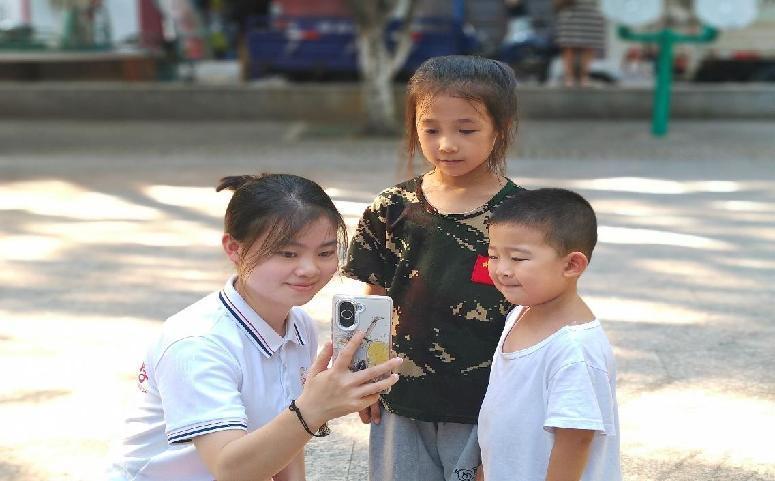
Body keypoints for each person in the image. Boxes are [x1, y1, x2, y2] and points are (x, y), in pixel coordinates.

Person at [108, 173, 403, 481]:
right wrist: (314, 407)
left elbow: (287, 438)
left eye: (325, 253)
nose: (309, 269)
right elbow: (229, 469)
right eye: (287, 253)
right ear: (234, 249)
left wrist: (310, 409)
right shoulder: (197, 343)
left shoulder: (297, 325)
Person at [342, 55, 523, 481]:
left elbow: (537, 309)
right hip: (401, 399)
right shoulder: (392, 208)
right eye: (431, 129)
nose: (447, 144)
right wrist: (365, 379)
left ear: (500, 128)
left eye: (466, 130)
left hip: (487, 403)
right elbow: (375, 299)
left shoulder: (522, 215)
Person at [478, 188, 621, 481]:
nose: (501, 269)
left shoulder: (574, 349)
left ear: (571, 265)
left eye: (518, 258)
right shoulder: (520, 313)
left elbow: (576, 438)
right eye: (493, 255)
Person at [554, 0, 607, 87]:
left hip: (590, 11)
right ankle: (569, 77)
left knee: (589, 45)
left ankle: (584, 76)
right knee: (569, 45)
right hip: (570, 11)